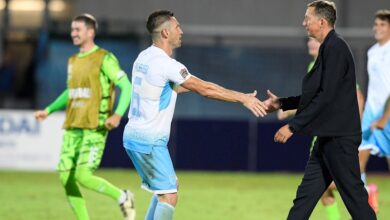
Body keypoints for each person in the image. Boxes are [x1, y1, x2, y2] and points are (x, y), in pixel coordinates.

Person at [122, 10, 267, 220]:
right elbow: (205, 90)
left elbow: (169, 88)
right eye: (177, 27)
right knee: (169, 197)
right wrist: (241, 98)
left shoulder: (143, 57)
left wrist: (197, 83)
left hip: (134, 136)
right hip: (150, 140)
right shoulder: (166, 64)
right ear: (165, 33)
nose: (181, 31)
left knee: (167, 188)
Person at [264, 1, 376, 219]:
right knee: (304, 199)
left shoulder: (336, 48)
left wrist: (293, 126)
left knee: (356, 201)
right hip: (326, 139)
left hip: (340, 140)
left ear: (322, 22)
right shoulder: (328, 48)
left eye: (308, 18)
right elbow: (315, 95)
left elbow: (326, 96)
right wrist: (282, 103)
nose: (303, 23)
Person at [34, 14, 135, 220]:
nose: (73, 34)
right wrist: (49, 109)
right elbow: (71, 91)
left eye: (77, 30)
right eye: (72, 30)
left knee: (83, 176)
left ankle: (123, 196)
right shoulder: (73, 60)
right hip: (73, 125)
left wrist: (117, 114)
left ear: (91, 32)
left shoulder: (104, 58)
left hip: (95, 125)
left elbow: (127, 87)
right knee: (65, 178)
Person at [359, 9, 390, 214]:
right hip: (371, 113)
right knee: (356, 161)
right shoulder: (371, 51)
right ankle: (365, 203)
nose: (377, 28)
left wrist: (384, 117)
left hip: (387, 116)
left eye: (383, 25)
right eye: (376, 24)